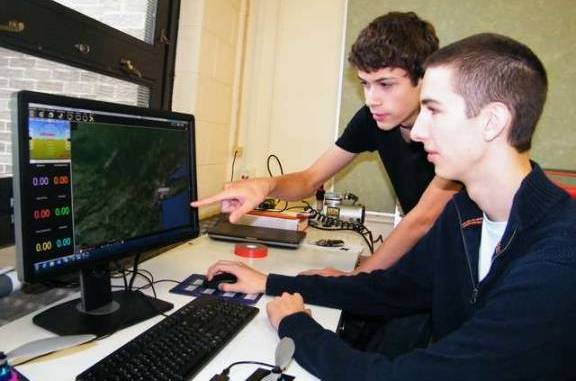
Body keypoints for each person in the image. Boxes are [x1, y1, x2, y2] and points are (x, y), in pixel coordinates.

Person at [206, 33, 576, 379]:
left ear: (492, 121)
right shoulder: (465, 214)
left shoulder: (559, 258)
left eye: (434, 110)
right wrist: (269, 282)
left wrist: (296, 325)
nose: (416, 132)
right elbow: (391, 289)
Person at [192, 12, 460, 276]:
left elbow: (422, 220)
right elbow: (310, 179)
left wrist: (356, 278)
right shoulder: (372, 119)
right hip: (426, 253)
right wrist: (266, 186)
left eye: (385, 84)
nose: (372, 99)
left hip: (464, 260)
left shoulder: (453, 128)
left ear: (424, 78)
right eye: (365, 84)